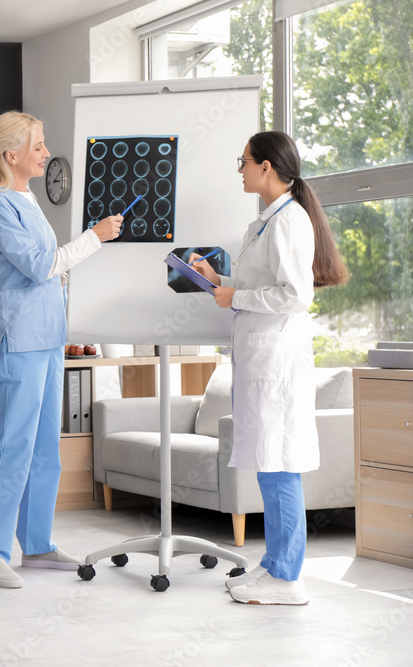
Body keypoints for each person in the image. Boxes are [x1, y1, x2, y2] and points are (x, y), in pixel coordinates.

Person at [191, 131, 347, 605]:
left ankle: (286, 578)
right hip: (262, 358)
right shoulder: (269, 220)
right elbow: (267, 283)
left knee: (279, 465)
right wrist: (221, 281)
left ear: (266, 167)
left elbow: (297, 294)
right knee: (267, 463)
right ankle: (274, 566)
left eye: (243, 162)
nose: (238, 170)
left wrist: (234, 296)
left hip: (276, 361)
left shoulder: (288, 221)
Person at [0, 111, 122, 588]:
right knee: (11, 448)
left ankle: (36, 544)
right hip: (20, 342)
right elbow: (39, 268)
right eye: (38, 146)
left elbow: (51, 270)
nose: (45, 153)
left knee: (43, 450)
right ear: (11, 154)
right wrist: (93, 239)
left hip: (50, 339)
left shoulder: (27, 199)